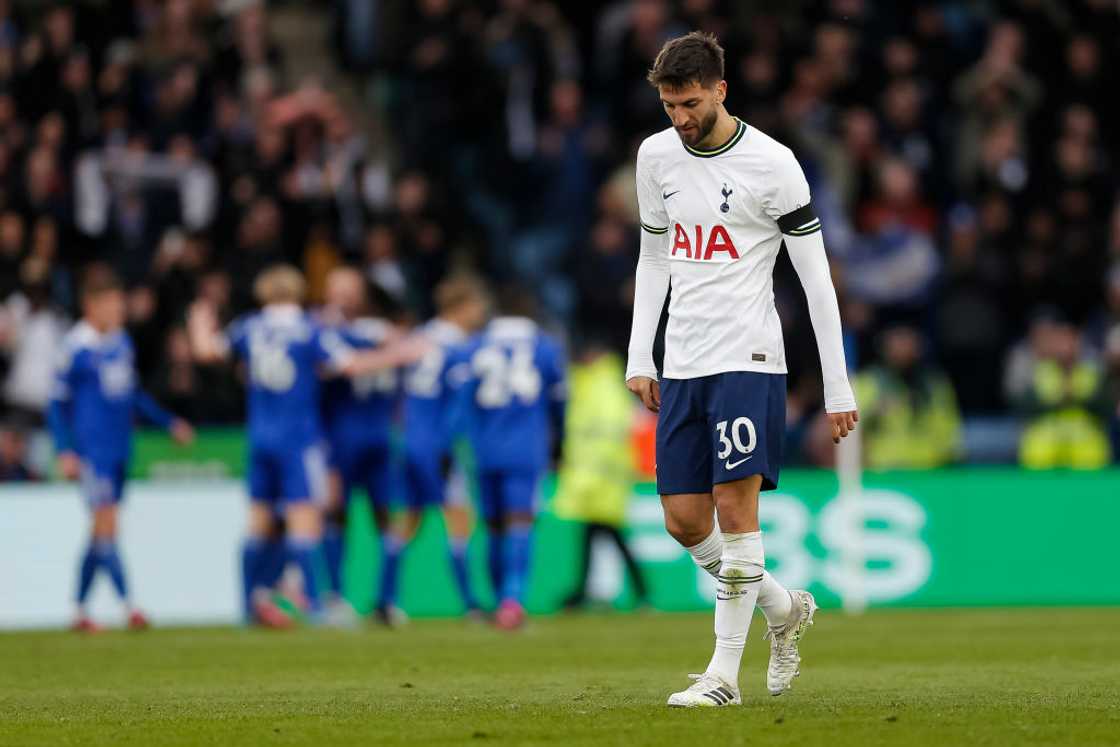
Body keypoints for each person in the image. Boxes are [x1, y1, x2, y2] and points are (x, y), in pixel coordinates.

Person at [625, 32, 858, 707]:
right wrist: (643, 352)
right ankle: (783, 607)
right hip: (684, 359)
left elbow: (817, 282)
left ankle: (723, 676)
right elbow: (653, 259)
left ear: (721, 89)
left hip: (750, 357)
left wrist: (837, 383)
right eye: (669, 105)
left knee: (735, 506)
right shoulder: (656, 157)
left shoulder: (773, 165)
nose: (680, 117)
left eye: (690, 103)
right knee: (684, 519)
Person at [188, 264, 419, 627]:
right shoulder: (310, 330)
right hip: (298, 439)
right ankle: (316, 605)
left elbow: (205, 351)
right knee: (305, 521)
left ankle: (248, 606)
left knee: (258, 523)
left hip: (259, 438)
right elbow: (351, 365)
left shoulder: (249, 327)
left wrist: (199, 318)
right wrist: (401, 355)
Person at [48, 265, 195, 632]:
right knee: (106, 525)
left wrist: (167, 423)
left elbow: (132, 396)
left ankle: (79, 610)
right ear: (90, 306)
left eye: (119, 304)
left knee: (100, 531)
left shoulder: (120, 342)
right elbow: (56, 404)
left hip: (119, 448)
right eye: (110, 304)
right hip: (91, 450)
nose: (117, 311)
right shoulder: (74, 348)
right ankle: (130, 605)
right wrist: (65, 450)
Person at [450, 287, 567, 630]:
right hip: (526, 448)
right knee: (520, 522)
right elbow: (560, 400)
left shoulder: (474, 346)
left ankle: (496, 597)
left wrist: (454, 445)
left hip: (483, 449)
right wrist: (560, 442)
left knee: (492, 525)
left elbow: (459, 404)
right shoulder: (545, 347)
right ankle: (512, 600)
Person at [378, 275, 490, 625]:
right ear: (462, 307)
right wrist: (449, 444)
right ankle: (471, 603)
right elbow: (456, 406)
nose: (480, 314)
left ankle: (386, 599)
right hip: (437, 444)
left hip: (409, 439)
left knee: (408, 519)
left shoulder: (420, 339)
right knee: (459, 518)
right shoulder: (458, 347)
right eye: (476, 307)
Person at [318, 266, 400, 625]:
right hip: (338, 439)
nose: (345, 296)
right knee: (336, 514)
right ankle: (335, 596)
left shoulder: (377, 331)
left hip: (380, 438)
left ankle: (387, 600)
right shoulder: (321, 332)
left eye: (351, 288)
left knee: (387, 517)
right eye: (338, 288)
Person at [554, 339, 648, 610]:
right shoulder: (595, 384)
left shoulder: (601, 386)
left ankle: (635, 592)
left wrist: (590, 474)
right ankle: (584, 590)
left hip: (599, 478)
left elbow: (605, 432)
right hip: (597, 477)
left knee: (609, 534)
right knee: (597, 534)